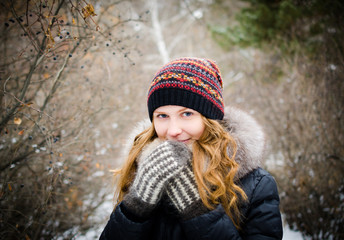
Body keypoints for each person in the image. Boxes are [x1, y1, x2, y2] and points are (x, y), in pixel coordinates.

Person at [100, 57, 283, 239]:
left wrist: (198, 209)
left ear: (210, 119)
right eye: (162, 116)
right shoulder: (139, 170)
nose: (173, 131)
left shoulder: (257, 184)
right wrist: (137, 203)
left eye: (187, 114)